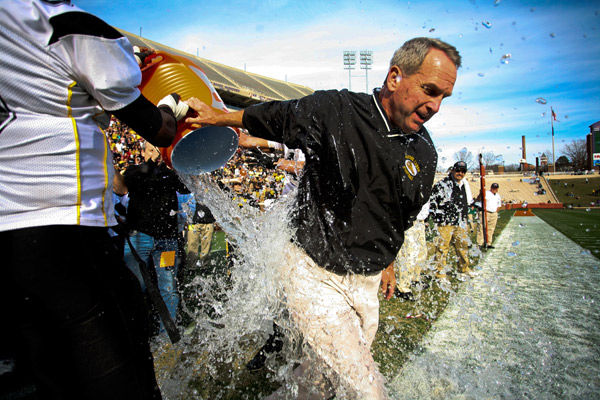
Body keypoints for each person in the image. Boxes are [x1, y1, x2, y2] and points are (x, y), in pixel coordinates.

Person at [185, 37, 461, 399]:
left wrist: (389, 261)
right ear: (395, 77)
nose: (436, 106)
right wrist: (219, 116)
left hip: (366, 281)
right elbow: (280, 116)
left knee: (319, 384)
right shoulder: (339, 110)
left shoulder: (424, 152)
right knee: (366, 389)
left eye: (444, 97)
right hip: (312, 270)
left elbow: (401, 218)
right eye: (429, 90)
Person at [0, 1, 188, 398]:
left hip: (10, 228)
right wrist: (171, 105)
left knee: (50, 373)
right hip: (63, 222)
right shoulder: (66, 24)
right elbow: (159, 129)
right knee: (119, 369)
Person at [116, 142, 190, 324]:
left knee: (167, 287)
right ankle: (138, 328)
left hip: (167, 241)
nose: (155, 154)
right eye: (151, 150)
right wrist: (151, 164)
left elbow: (187, 188)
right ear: (142, 152)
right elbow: (122, 189)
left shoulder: (171, 173)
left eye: (158, 149)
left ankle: (167, 336)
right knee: (136, 284)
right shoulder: (134, 171)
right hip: (140, 237)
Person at [429, 161, 475, 281]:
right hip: (445, 223)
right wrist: (437, 218)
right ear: (453, 170)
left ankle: (464, 269)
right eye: (458, 170)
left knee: (463, 247)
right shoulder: (442, 184)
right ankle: (440, 274)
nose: (460, 173)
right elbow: (433, 202)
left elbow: (467, 202)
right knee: (442, 248)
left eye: (463, 171)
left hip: (460, 221)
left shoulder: (464, 184)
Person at [392, 202, 430, 301]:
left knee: (422, 253)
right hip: (409, 221)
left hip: (420, 220)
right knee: (409, 255)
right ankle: (403, 288)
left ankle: (415, 279)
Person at [477, 182, 502, 248]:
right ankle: (480, 243)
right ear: (491, 188)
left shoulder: (498, 195)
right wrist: (480, 193)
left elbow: (499, 205)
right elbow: (479, 199)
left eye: (495, 188)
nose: (494, 189)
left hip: (493, 213)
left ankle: (488, 243)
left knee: (491, 228)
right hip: (486, 212)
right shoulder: (486, 193)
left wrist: (495, 212)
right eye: (493, 188)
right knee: (482, 227)